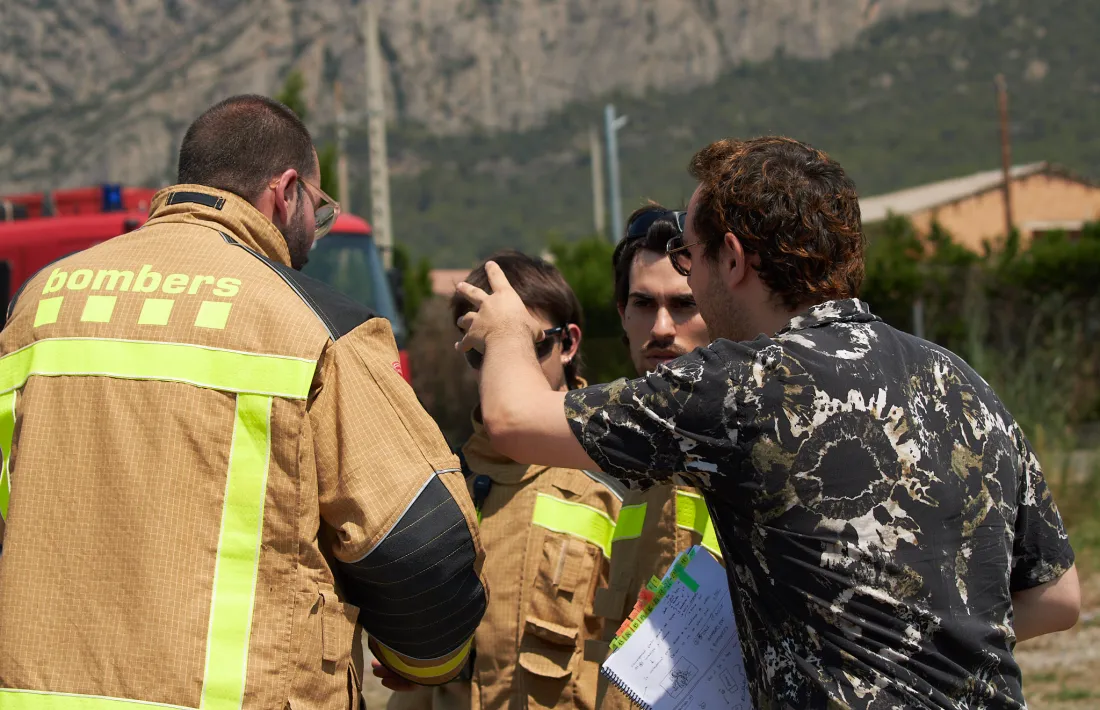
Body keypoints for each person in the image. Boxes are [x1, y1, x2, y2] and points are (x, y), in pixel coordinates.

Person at [453, 136, 1081, 708]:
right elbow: (1056, 598)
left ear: (732, 260)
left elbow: (512, 419)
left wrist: (507, 327)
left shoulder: (741, 384)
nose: (688, 275)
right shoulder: (961, 382)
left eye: (688, 256)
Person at [0, 95, 487, 709]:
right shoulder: (312, 321)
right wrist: (425, 661)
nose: (315, 229)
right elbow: (423, 544)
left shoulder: (38, 303)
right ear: (286, 194)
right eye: (320, 208)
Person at [385, 251, 623, 710]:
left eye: (526, 342)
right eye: (481, 348)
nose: (503, 360)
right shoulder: (443, 483)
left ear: (569, 343)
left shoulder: (619, 471)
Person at [585, 205, 716, 709]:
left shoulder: (768, 437)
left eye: (684, 304)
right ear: (621, 313)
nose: (662, 328)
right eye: (643, 303)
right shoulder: (611, 452)